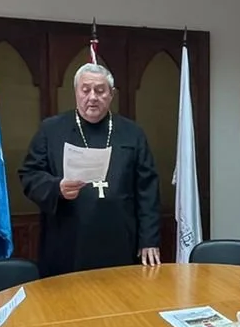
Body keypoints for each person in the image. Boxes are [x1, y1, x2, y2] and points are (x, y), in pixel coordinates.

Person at [20, 62, 162, 276]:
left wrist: (149, 240)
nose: (92, 97)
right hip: (67, 241)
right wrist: (56, 187)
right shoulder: (51, 130)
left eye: (100, 90)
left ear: (111, 94)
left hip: (121, 240)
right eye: (85, 90)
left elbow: (148, 190)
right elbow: (29, 175)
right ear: (76, 92)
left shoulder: (132, 133)